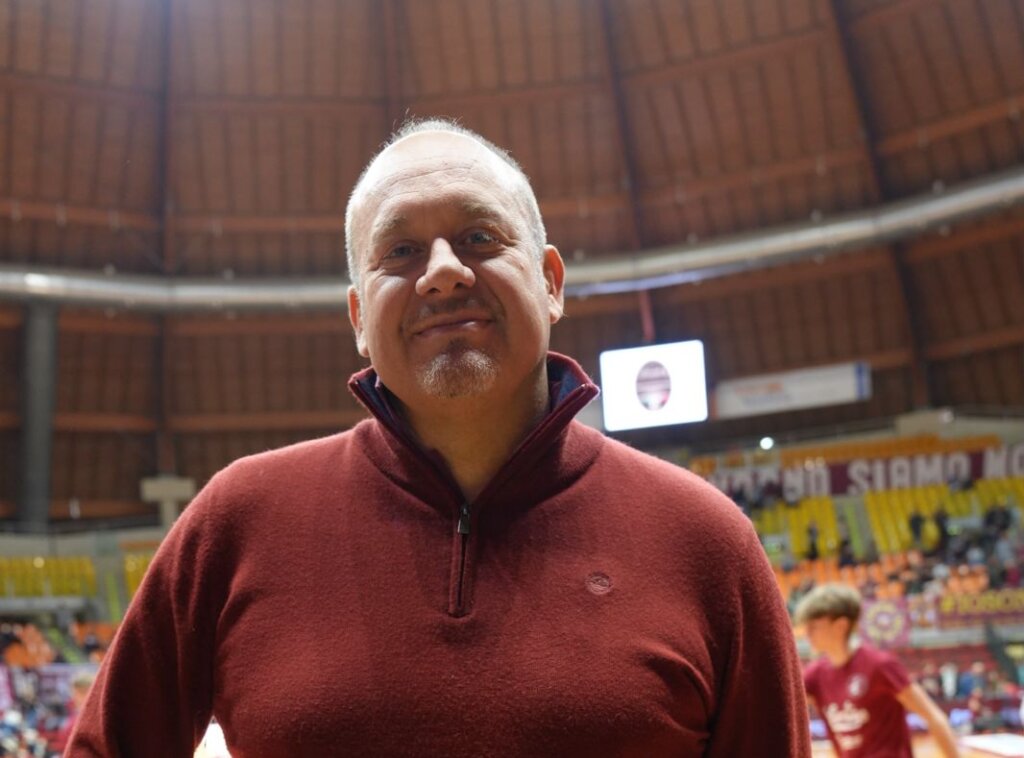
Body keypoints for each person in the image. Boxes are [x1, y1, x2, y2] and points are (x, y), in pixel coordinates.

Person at [67, 118, 810, 756]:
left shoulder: (706, 542)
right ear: (359, 318)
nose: (444, 273)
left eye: (480, 237)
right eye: (400, 252)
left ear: (551, 282)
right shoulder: (239, 519)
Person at [796, 583, 960, 757]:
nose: (807, 634)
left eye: (814, 627)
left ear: (841, 626)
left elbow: (933, 717)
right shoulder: (815, 675)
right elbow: (786, 708)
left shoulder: (880, 665)